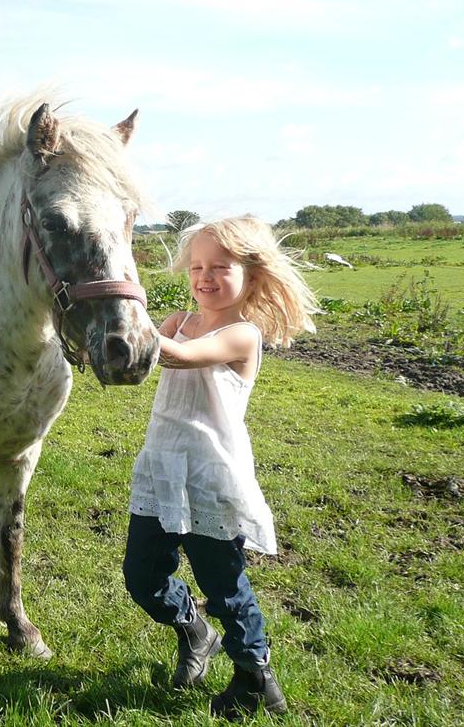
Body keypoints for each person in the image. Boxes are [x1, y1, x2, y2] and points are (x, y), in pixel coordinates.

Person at [123, 216, 319, 719]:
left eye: (219, 267)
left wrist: (123, 316)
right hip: (163, 473)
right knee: (141, 577)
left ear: (251, 276)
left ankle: (257, 680)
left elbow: (182, 358)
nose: (204, 276)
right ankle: (194, 630)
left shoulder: (242, 335)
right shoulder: (176, 320)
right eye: (196, 266)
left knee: (226, 588)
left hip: (211, 480)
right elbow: (139, 362)